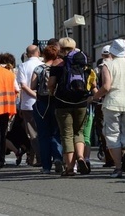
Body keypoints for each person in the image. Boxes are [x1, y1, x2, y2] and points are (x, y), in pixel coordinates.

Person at [91, 39, 125, 178]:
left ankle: (118, 168)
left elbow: (106, 86)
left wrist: (95, 97)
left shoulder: (108, 65)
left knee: (113, 135)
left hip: (113, 103)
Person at [48, 37, 95, 176]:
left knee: (66, 134)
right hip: (81, 102)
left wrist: (52, 93)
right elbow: (92, 83)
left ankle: (69, 167)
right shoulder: (84, 63)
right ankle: (80, 157)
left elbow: (51, 84)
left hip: (63, 103)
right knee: (79, 132)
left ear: (60, 49)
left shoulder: (57, 65)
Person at [31, 45, 63, 174]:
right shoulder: (60, 67)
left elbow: (32, 85)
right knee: (56, 132)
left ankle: (46, 166)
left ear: (44, 55)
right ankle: (58, 157)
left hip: (42, 103)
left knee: (43, 135)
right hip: (57, 102)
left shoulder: (39, 68)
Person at [16, 45, 43, 166]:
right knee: (42, 130)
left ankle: (40, 157)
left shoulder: (22, 66)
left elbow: (22, 86)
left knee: (32, 133)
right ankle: (36, 157)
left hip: (28, 103)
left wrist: (21, 104)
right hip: (43, 102)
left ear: (27, 54)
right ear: (38, 52)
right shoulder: (43, 64)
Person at [0, 51, 17, 169]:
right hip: (7, 107)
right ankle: (1, 160)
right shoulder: (8, 73)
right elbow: (16, 89)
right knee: (2, 135)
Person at [94, 45, 114, 167]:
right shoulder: (117, 66)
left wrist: (95, 96)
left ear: (102, 56)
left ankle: (109, 158)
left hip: (101, 103)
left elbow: (94, 86)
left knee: (103, 131)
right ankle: (122, 153)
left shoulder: (98, 69)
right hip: (117, 101)